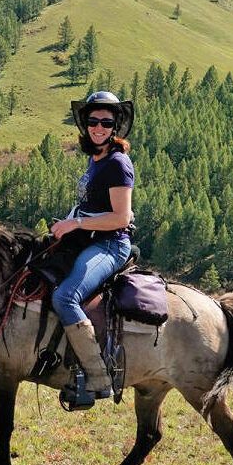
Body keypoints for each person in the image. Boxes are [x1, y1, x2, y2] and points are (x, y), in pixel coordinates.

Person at [50, 90, 135, 408]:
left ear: (115, 127)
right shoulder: (96, 159)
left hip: (110, 244)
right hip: (89, 238)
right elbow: (92, 205)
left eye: (106, 122)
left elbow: (121, 217)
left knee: (65, 297)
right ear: (85, 124)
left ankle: (98, 378)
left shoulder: (117, 163)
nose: (99, 127)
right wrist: (69, 222)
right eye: (93, 121)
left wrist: (76, 224)